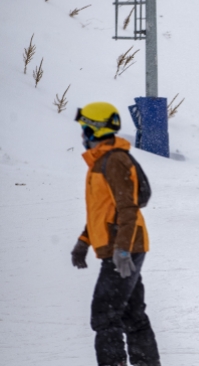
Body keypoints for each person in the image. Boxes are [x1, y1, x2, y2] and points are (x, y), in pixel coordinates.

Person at [70, 102, 160, 366]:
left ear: (97, 130)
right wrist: (83, 241)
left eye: (85, 128)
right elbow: (103, 212)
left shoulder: (114, 161)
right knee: (132, 315)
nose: (82, 134)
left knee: (105, 315)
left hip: (124, 248)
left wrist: (122, 249)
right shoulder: (101, 162)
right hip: (122, 245)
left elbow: (127, 209)